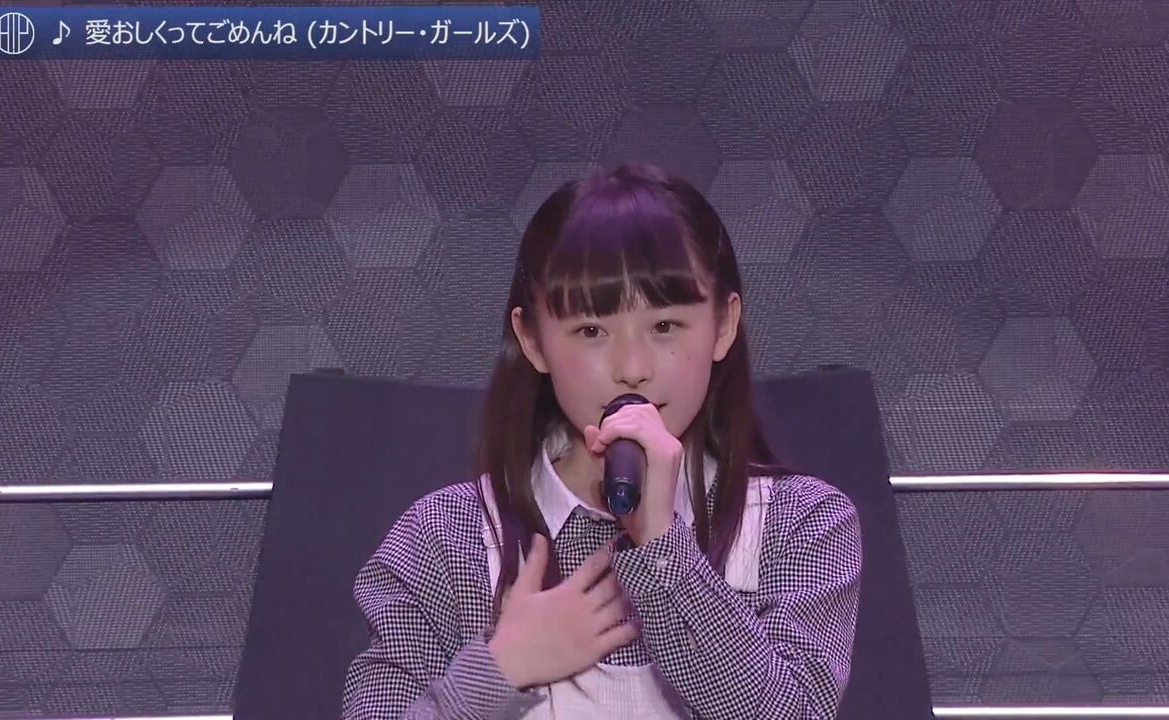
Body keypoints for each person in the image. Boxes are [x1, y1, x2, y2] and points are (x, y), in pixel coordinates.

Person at [341, 163, 862, 719]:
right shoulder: (447, 538)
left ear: (724, 325)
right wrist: (499, 671)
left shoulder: (800, 522)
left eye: (664, 326)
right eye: (591, 331)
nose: (632, 368)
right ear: (532, 340)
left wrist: (661, 545)